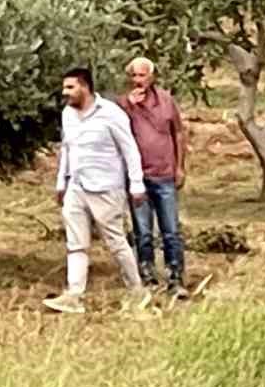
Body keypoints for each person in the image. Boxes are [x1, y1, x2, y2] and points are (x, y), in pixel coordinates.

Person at [44, 67, 151, 315]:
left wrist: (136, 184)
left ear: (85, 86)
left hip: (106, 187)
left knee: (116, 241)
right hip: (77, 185)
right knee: (76, 242)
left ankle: (137, 291)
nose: (65, 93)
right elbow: (67, 149)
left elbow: (130, 149)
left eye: (70, 87)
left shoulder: (111, 114)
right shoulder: (68, 115)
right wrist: (62, 182)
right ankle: (74, 295)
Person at [119, 57, 189, 297]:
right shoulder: (123, 105)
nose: (138, 81)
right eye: (134, 76)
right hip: (138, 177)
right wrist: (128, 105)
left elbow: (178, 133)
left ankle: (175, 276)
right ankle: (147, 275)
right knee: (143, 231)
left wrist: (180, 166)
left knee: (170, 229)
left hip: (164, 174)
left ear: (152, 77)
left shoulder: (166, 101)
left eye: (142, 75)